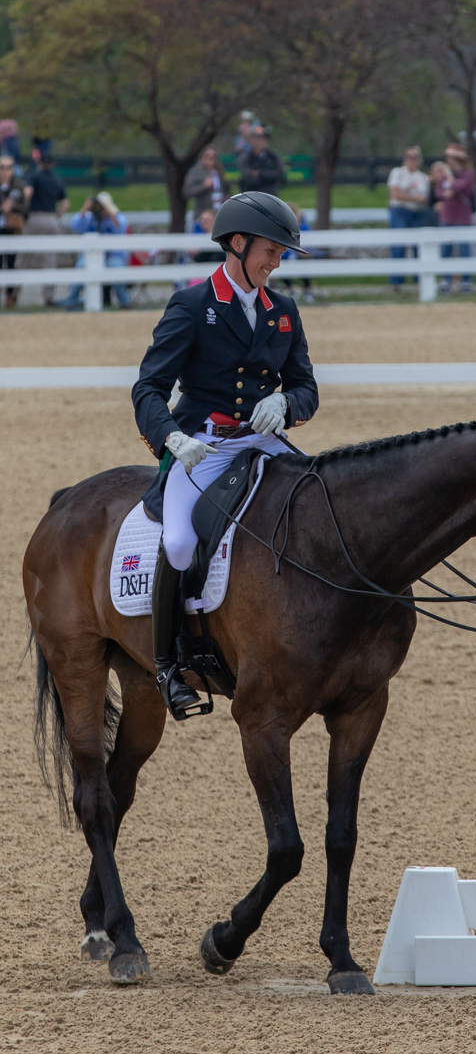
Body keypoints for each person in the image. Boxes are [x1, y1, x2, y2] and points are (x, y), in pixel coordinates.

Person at [132, 191, 319, 720]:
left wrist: (285, 402)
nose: (277, 262)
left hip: (263, 438)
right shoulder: (192, 306)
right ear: (238, 244)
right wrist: (172, 437)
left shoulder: (282, 311)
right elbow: (148, 388)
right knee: (181, 538)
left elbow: (307, 388)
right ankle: (168, 664)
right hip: (203, 446)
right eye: (271, 250)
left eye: (283, 253)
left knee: (318, 504)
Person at [64, 191, 131, 310]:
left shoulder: (117, 217)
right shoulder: (90, 218)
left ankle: (124, 302)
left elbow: (120, 229)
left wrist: (109, 212)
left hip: (113, 256)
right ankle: (71, 301)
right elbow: (74, 225)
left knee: (117, 269)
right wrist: (85, 209)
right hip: (91, 256)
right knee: (81, 267)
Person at [20, 154, 68, 307]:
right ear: (52, 165)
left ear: (39, 164)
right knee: (50, 259)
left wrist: (24, 210)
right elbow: (65, 204)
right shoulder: (57, 180)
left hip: (34, 217)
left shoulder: (33, 177)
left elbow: (28, 192)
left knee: (24, 258)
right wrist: (56, 217)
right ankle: (48, 298)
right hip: (51, 219)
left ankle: (13, 295)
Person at [435, 142, 475, 294]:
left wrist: (450, 183)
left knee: (464, 250)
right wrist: (448, 187)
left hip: (462, 218)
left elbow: (460, 187)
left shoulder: (468, 174)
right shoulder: (446, 175)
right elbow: (438, 191)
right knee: (446, 250)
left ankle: (466, 281)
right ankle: (446, 279)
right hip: (447, 217)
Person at [387, 145, 428, 289]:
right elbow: (395, 194)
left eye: (416, 157)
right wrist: (414, 197)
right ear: (405, 159)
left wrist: (407, 196)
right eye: (410, 157)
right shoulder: (397, 173)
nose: (413, 160)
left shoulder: (422, 177)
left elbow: (425, 199)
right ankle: (396, 282)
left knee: (418, 246)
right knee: (398, 245)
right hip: (399, 211)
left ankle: (419, 280)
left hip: (416, 213)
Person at [0, 154, 28, 306]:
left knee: (11, 263)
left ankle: (10, 295)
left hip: (12, 227)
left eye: (8, 167)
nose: (5, 171)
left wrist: (12, 207)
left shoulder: (19, 185)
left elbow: (25, 208)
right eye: (2, 167)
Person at [183, 147, 231, 218]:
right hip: (202, 215)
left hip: (219, 214)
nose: (211, 158)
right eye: (207, 156)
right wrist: (204, 186)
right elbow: (187, 192)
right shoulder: (196, 172)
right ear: (202, 157)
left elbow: (227, 190)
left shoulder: (220, 171)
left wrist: (226, 199)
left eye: (213, 156)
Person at [238, 127, 284, 196]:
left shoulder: (272, 156)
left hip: (270, 195)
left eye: (263, 139)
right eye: (258, 139)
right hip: (251, 195)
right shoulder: (247, 157)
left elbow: (279, 174)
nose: (260, 142)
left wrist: (259, 173)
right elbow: (247, 177)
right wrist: (267, 177)